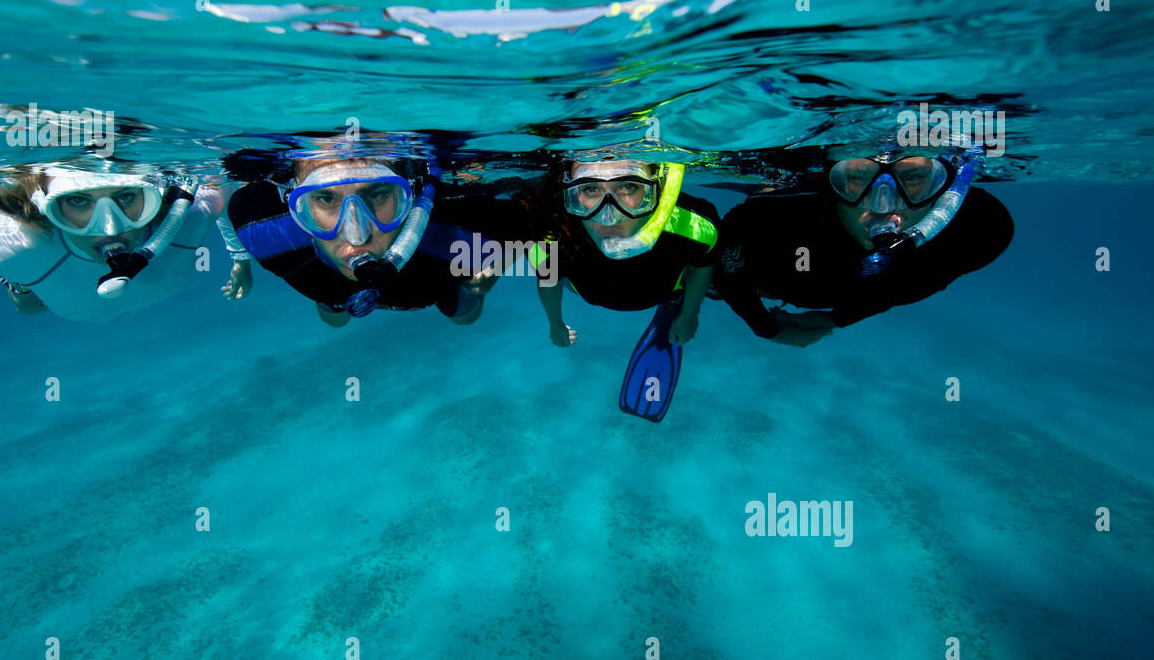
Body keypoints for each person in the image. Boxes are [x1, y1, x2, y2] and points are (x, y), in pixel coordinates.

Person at [0, 164, 253, 322]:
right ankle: (16, 283)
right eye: (78, 203)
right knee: (28, 306)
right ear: (47, 209)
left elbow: (223, 191)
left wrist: (240, 258)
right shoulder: (12, 244)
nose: (110, 227)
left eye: (128, 198)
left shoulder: (188, 217)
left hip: (81, 299)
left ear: (155, 197)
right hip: (48, 287)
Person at [709, 144, 1013, 346]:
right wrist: (765, 327)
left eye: (914, 177)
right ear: (833, 178)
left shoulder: (978, 230)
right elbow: (722, 254)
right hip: (764, 277)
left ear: (944, 189)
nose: (882, 204)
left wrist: (839, 317)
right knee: (707, 271)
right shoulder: (781, 212)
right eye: (857, 176)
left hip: (830, 295)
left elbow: (920, 281)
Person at [225, 151, 528, 326]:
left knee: (464, 317)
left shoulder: (457, 238)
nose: (356, 234)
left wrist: (495, 269)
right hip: (326, 287)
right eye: (325, 199)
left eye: (378, 193)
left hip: (436, 284)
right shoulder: (262, 230)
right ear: (295, 202)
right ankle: (331, 301)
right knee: (333, 317)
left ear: (408, 196)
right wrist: (240, 261)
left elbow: (533, 230)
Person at [524, 157, 718, 421]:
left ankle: (673, 308)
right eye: (591, 189)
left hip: (668, 291)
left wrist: (688, 314)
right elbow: (548, 279)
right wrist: (554, 322)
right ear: (569, 194)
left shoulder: (692, 228)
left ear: (656, 190)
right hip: (589, 291)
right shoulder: (551, 235)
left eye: (628, 187)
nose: (609, 215)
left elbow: (702, 265)